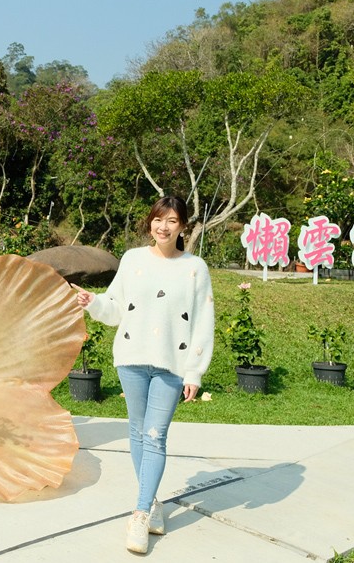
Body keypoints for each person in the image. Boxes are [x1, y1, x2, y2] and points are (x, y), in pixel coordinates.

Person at [73, 196, 214, 554]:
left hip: (172, 364)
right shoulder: (133, 259)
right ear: (149, 222)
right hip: (131, 358)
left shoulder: (195, 267)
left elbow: (203, 324)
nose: (163, 227)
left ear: (183, 227)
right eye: (157, 219)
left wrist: (195, 371)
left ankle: (138, 513)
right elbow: (117, 307)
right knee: (137, 431)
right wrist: (93, 302)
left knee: (155, 435)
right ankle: (151, 504)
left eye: (171, 221)